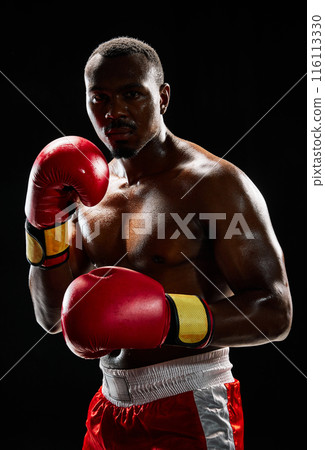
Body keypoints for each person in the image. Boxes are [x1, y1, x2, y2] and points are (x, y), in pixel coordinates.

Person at [25, 37, 292, 449]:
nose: (114, 111)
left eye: (132, 94)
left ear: (163, 97)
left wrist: (165, 318)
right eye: (99, 98)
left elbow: (277, 314)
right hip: (109, 408)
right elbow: (53, 319)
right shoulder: (85, 193)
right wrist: (43, 226)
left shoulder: (215, 185)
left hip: (191, 403)